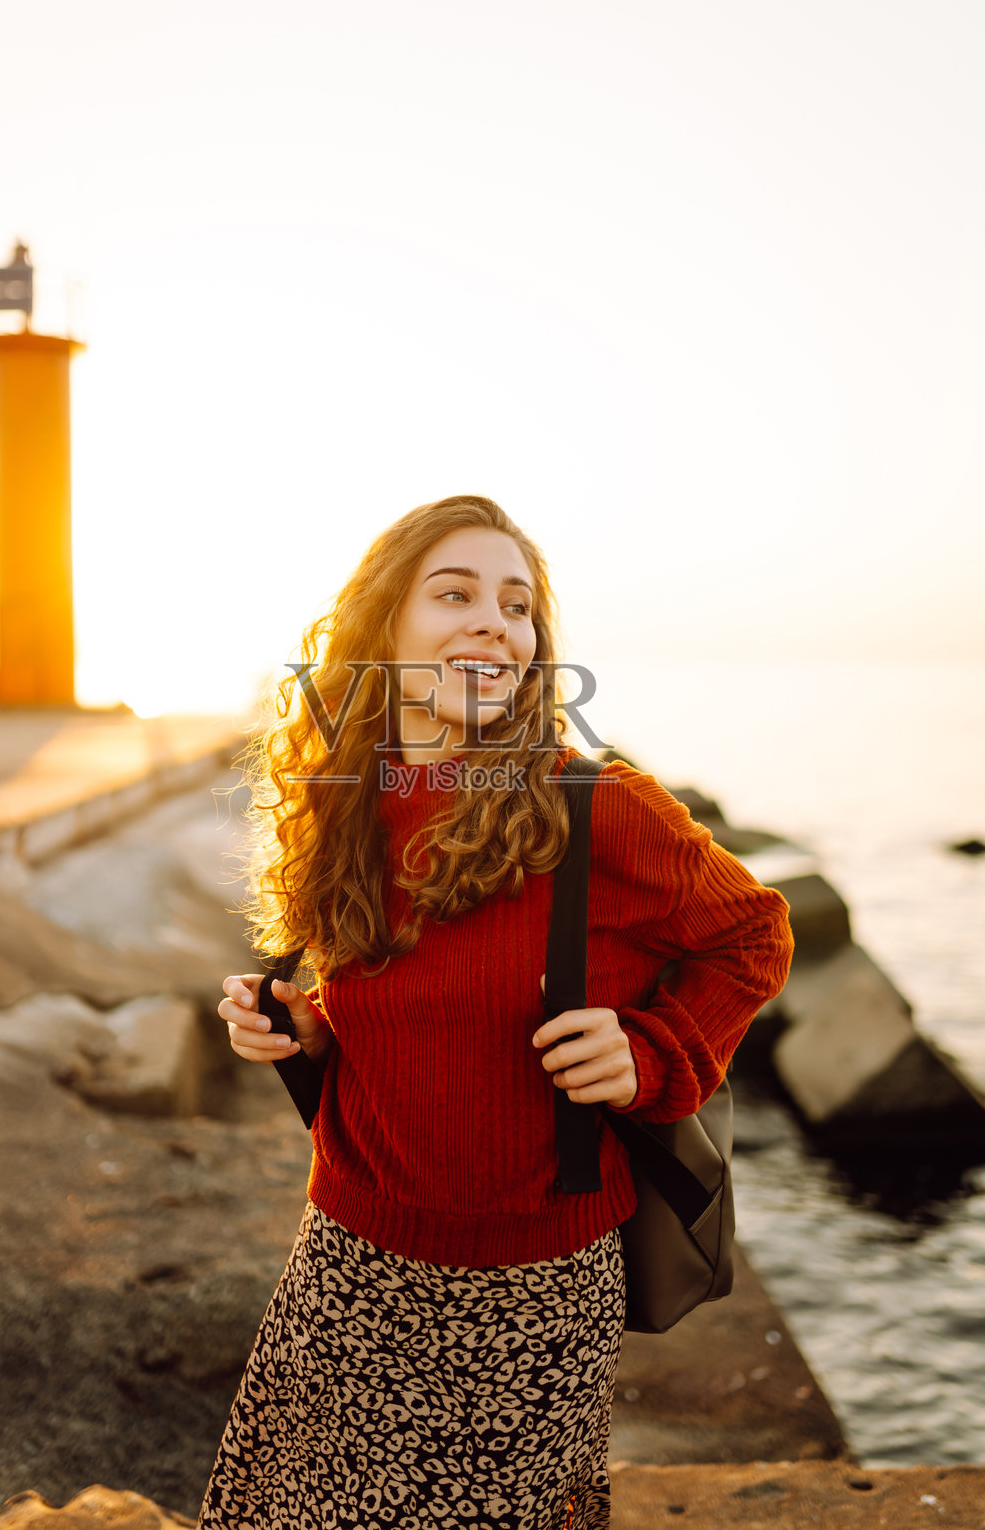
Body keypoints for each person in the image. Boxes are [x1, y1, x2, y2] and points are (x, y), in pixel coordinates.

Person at [198, 494, 794, 1530]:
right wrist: (306, 1031)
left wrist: (650, 1052)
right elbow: (400, 1001)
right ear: (382, 627)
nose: (494, 623)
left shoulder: (595, 803)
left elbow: (754, 934)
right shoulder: (345, 800)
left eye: (516, 607)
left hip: (531, 1293)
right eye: (455, 592)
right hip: (347, 1267)